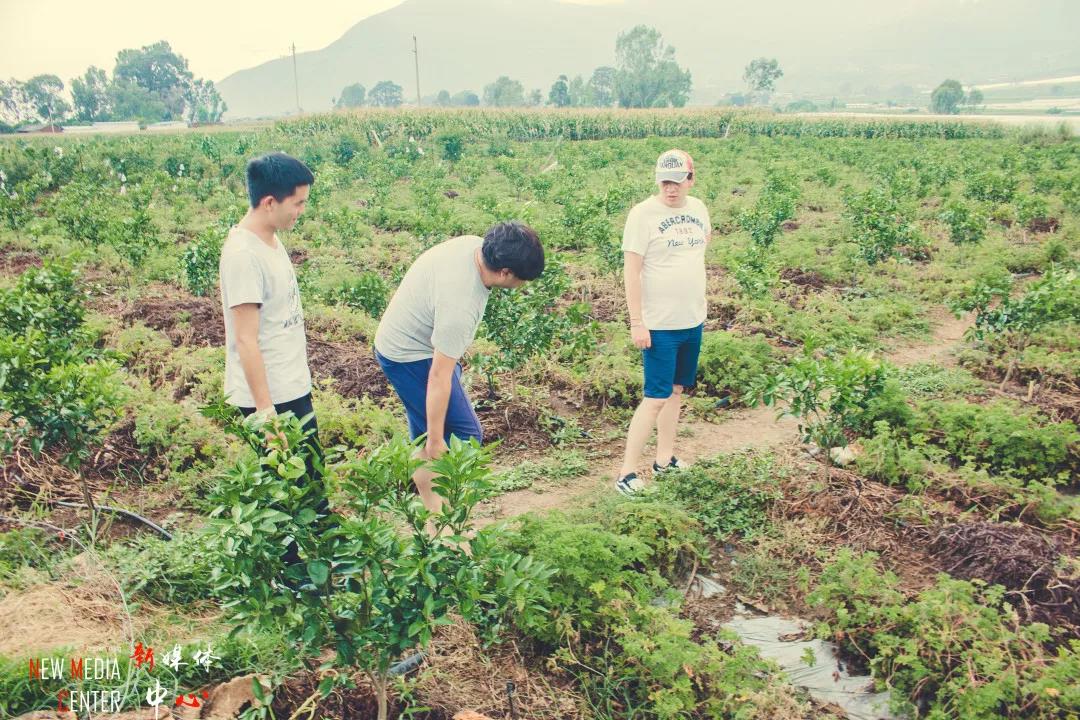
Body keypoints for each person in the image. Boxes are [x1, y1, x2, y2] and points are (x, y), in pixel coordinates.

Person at [374, 222, 545, 512]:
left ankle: (435, 518)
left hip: (409, 340)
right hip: (408, 355)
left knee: (426, 435)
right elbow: (438, 376)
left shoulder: (474, 244)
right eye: (522, 280)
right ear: (505, 272)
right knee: (463, 435)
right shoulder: (462, 305)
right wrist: (440, 440)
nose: (522, 287)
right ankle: (448, 516)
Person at [219, 151, 325, 500]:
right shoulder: (243, 256)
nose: (301, 211)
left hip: (290, 384)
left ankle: (320, 551)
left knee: (311, 483)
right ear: (269, 202)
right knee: (291, 496)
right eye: (297, 203)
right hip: (272, 397)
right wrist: (266, 416)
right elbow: (245, 340)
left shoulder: (270, 240)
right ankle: (296, 557)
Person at [615, 149, 710, 496]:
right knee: (655, 396)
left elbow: (699, 253)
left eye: (678, 181)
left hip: (691, 319)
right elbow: (632, 271)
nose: (671, 189)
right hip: (659, 326)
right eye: (665, 182)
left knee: (676, 392)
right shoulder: (642, 214)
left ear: (690, 179)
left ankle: (664, 460)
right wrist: (637, 321)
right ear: (658, 181)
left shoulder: (698, 208)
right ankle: (626, 473)